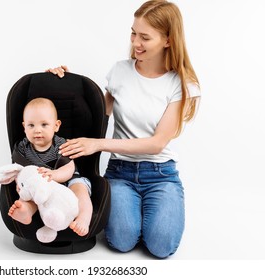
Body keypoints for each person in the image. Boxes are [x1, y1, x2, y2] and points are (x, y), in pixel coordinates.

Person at [47, 0, 200, 258]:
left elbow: (157, 143)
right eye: (133, 33)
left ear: (168, 40)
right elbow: (95, 116)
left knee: (162, 247)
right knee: (121, 241)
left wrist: (99, 144)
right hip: (121, 173)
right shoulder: (120, 71)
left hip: (161, 175)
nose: (135, 42)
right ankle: (135, 214)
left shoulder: (181, 84)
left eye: (145, 37)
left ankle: (152, 211)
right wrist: (63, 82)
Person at [8, 97, 93, 237]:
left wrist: (54, 175)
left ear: (56, 126)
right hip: (42, 188)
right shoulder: (23, 148)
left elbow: (69, 168)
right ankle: (26, 211)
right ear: (24, 127)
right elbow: (20, 170)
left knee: (80, 190)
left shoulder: (60, 144)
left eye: (44, 124)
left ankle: (83, 218)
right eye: (31, 125)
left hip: (69, 181)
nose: (37, 130)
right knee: (29, 194)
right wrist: (20, 183)